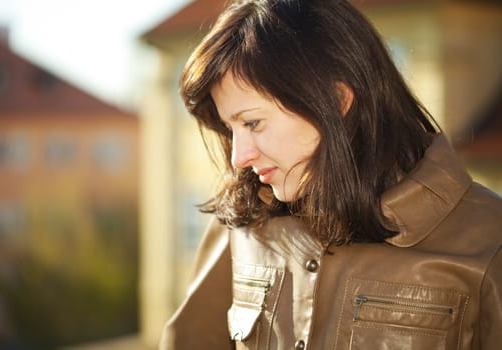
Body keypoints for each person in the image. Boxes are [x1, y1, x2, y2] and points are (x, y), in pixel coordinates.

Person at [159, 0, 502, 349]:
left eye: (252, 123)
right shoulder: (242, 223)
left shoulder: (492, 239)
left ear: (337, 101)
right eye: (231, 129)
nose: (238, 158)